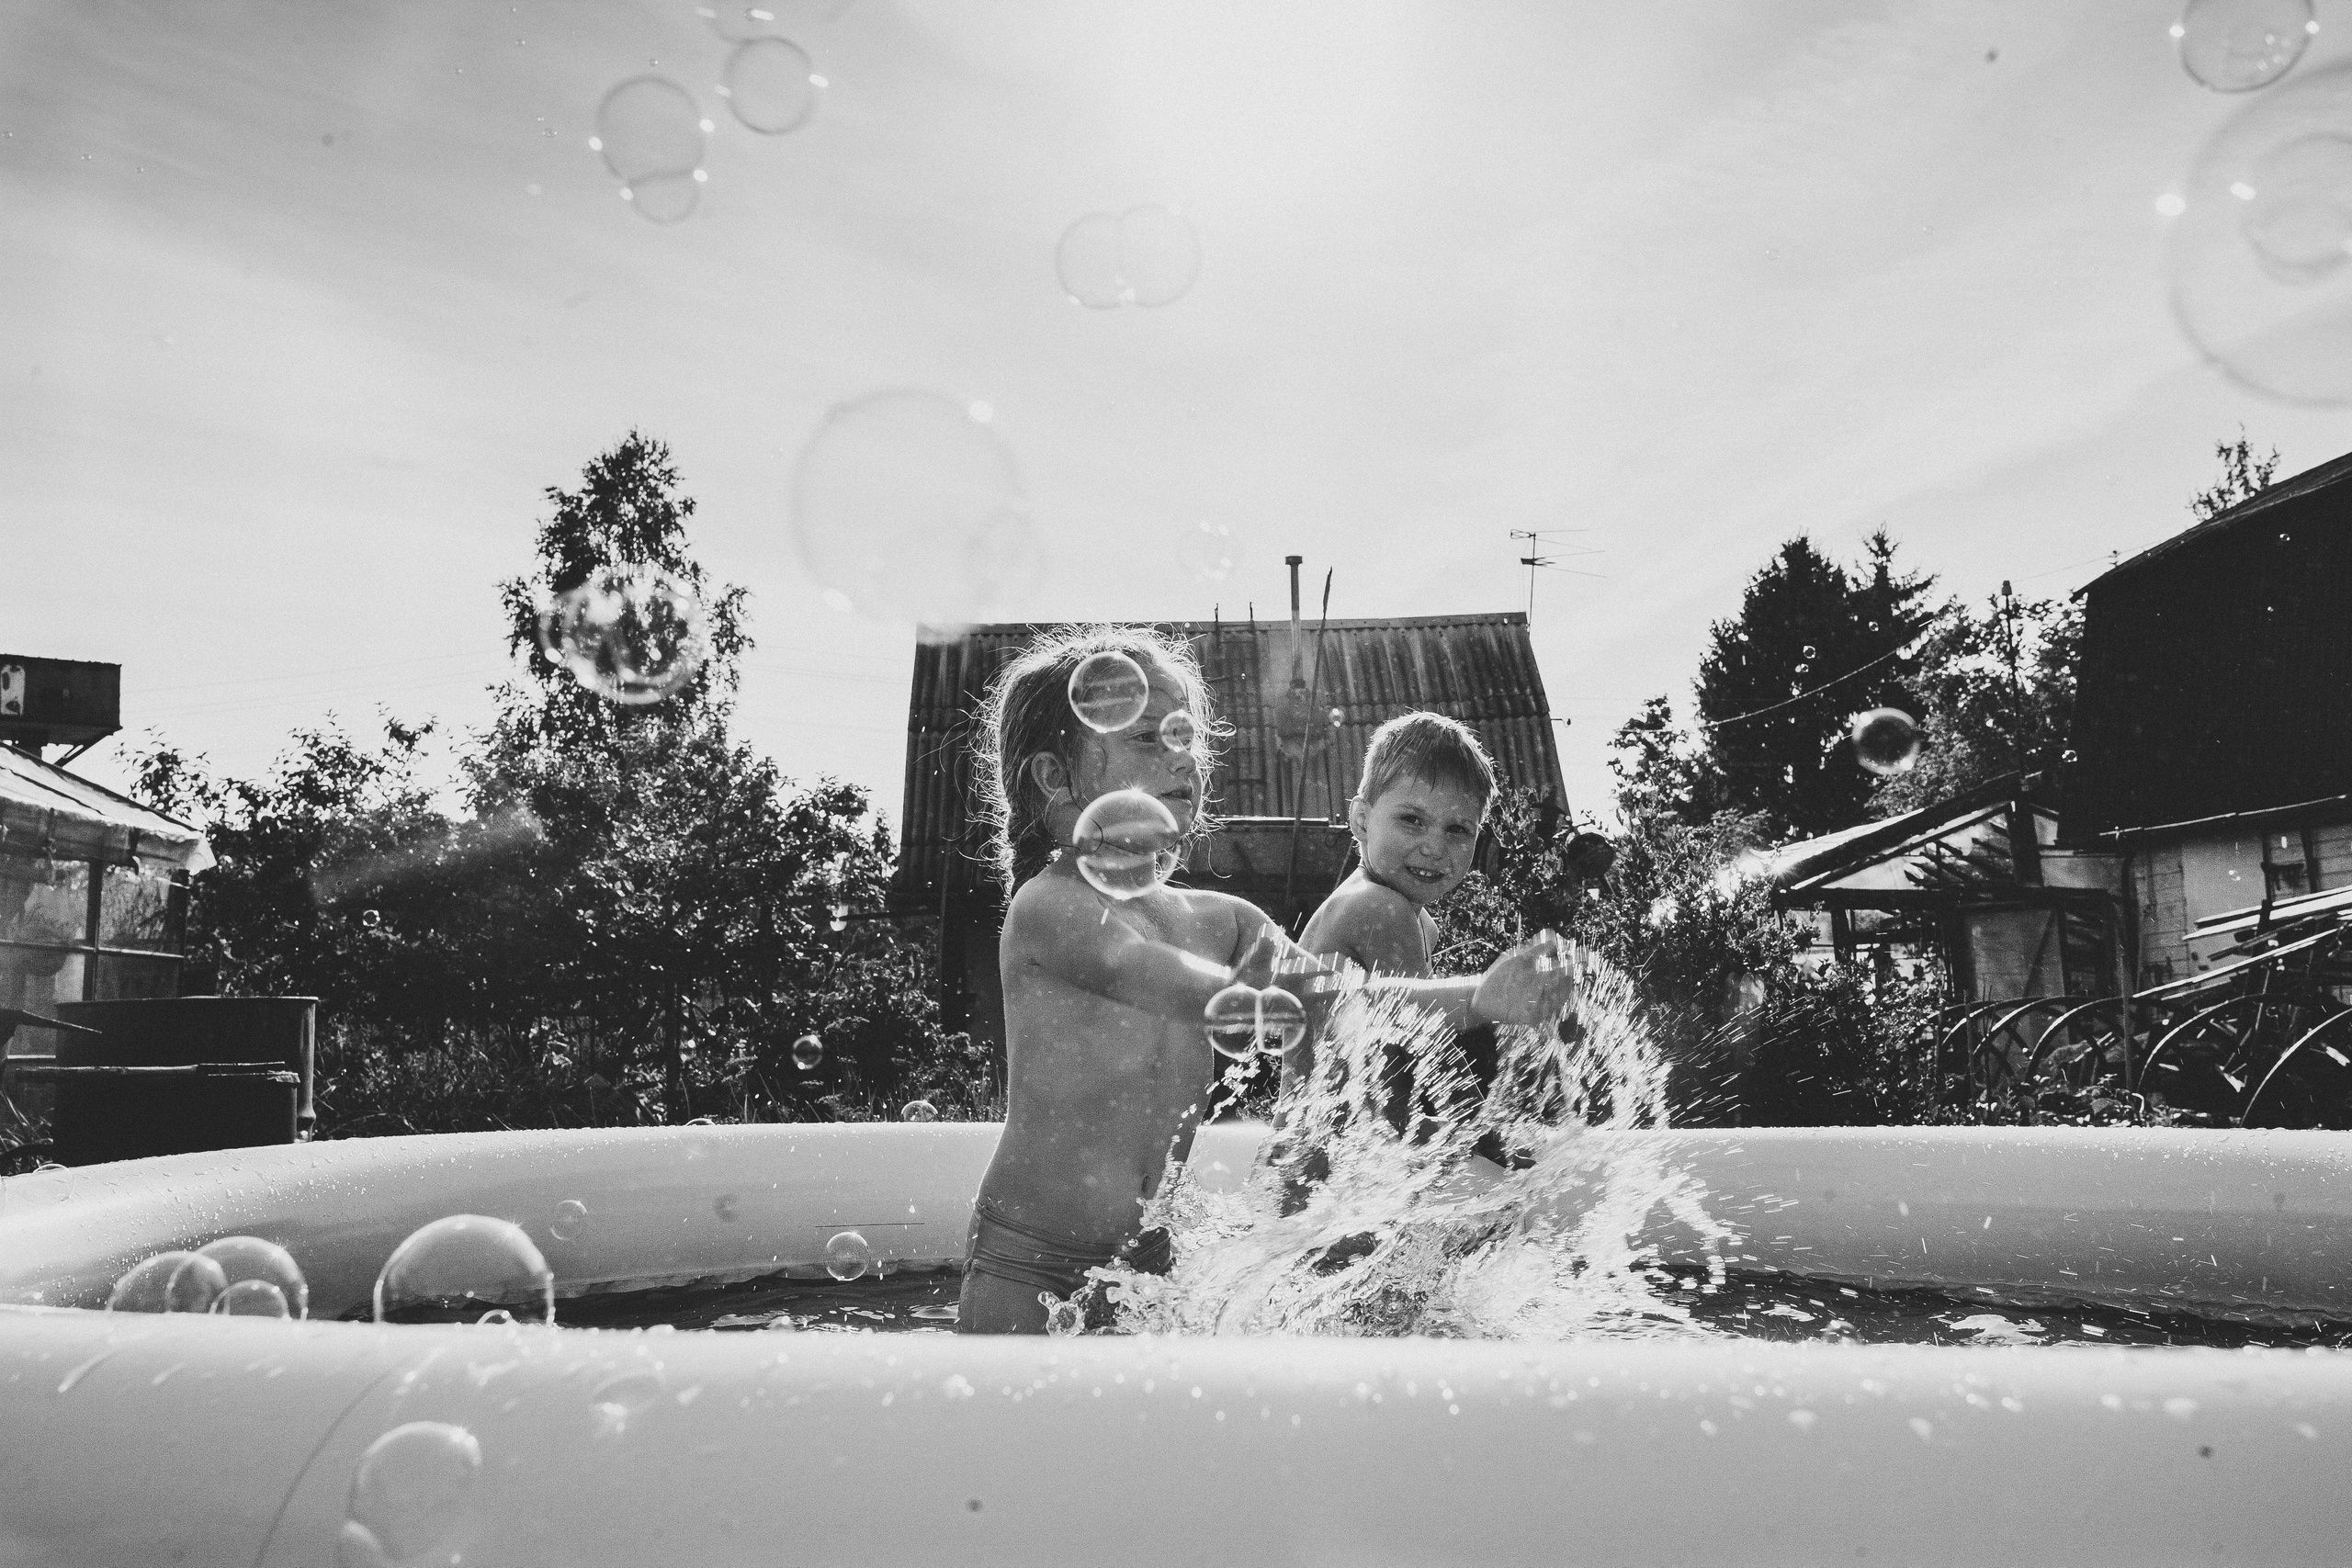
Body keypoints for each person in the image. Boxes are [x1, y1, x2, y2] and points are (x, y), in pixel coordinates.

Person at [956, 626, 1573, 1334]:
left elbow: (1346, 998)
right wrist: (1245, 1000)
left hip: (1145, 1269)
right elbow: (1138, 969)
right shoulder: (1048, 906)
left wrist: (1478, 996)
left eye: (1183, 735)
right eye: (1148, 738)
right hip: (1029, 1264)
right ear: (1057, 778)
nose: (1181, 755)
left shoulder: (1220, 919)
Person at [1285, 712, 1514, 1175]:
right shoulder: (1379, 909)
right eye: (1412, 820)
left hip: (1324, 1158)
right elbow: (1436, 1053)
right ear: (1361, 820)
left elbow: (1394, 1086)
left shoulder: (1412, 917)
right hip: (1330, 1176)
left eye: (1457, 829)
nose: (1435, 846)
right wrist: (1493, 1148)